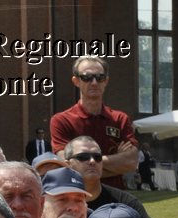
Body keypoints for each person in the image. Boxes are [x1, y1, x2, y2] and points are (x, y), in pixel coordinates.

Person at [50, 57, 138, 189]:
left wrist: (83, 163)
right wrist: (116, 162)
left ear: (106, 81)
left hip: (114, 198)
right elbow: (66, 164)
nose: (94, 82)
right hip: (78, 197)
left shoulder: (120, 119)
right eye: (87, 77)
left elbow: (131, 162)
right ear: (76, 81)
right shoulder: (62, 120)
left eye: (100, 77)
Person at [59, 135, 159, 218]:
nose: (92, 161)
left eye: (97, 157)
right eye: (83, 157)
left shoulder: (124, 202)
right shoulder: (56, 203)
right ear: (67, 165)